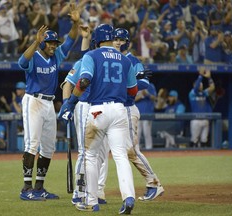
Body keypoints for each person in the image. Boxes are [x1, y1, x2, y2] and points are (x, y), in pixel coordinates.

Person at [59, 24, 137, 214]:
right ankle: (128, 197)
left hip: (97, 110)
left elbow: (84, 80)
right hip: (119, 110)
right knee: (120, 156)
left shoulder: (91, 56)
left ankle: (90, 200)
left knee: (90, 156)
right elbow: (133, 91)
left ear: (98, 39)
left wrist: (70, 102)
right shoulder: (126, 61)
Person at [17, 3, 80, 201]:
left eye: (54, 43)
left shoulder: (56, 56)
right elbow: (21, 63)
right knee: (32, 144)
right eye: (50, 43)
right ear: (43, 43)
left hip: (49, 103)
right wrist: (36, 42)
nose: (54, 46)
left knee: (48, 147)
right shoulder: (35, 55)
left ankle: (39, 187)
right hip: (33, 100)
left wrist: (76, 23)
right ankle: (26, 189)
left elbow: (70, 41)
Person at [112, 28, 164, 201]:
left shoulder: (132, 60)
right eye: (115, 39)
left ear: (128, 42)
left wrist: (131, 80)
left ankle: (154, 184)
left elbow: (144, 83)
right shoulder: (112, 58)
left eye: (121, 39)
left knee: (132, 150)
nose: (118, 42)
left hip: (127, 107)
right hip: (115, 109)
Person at [189, 68, 216, 148]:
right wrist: (200, 76)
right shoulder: (192, 93)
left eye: (201, 84)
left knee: (204, 140)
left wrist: (209, 78)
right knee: (194, 140)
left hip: (205, 119)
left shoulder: (204, 93)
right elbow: (196, 87)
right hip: (196, 120)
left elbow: (212, 88)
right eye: (199, 84)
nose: (201, 85)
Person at [135, 83, 157, 150]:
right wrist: (141, 95)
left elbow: (154, 98)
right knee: (137, 133)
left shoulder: (150, 86)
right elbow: (132, 99)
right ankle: (136, 149)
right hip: (138, 112)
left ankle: (149, 148)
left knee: (146, 132)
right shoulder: (135, 85)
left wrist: (147, 94)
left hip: (147, 112)